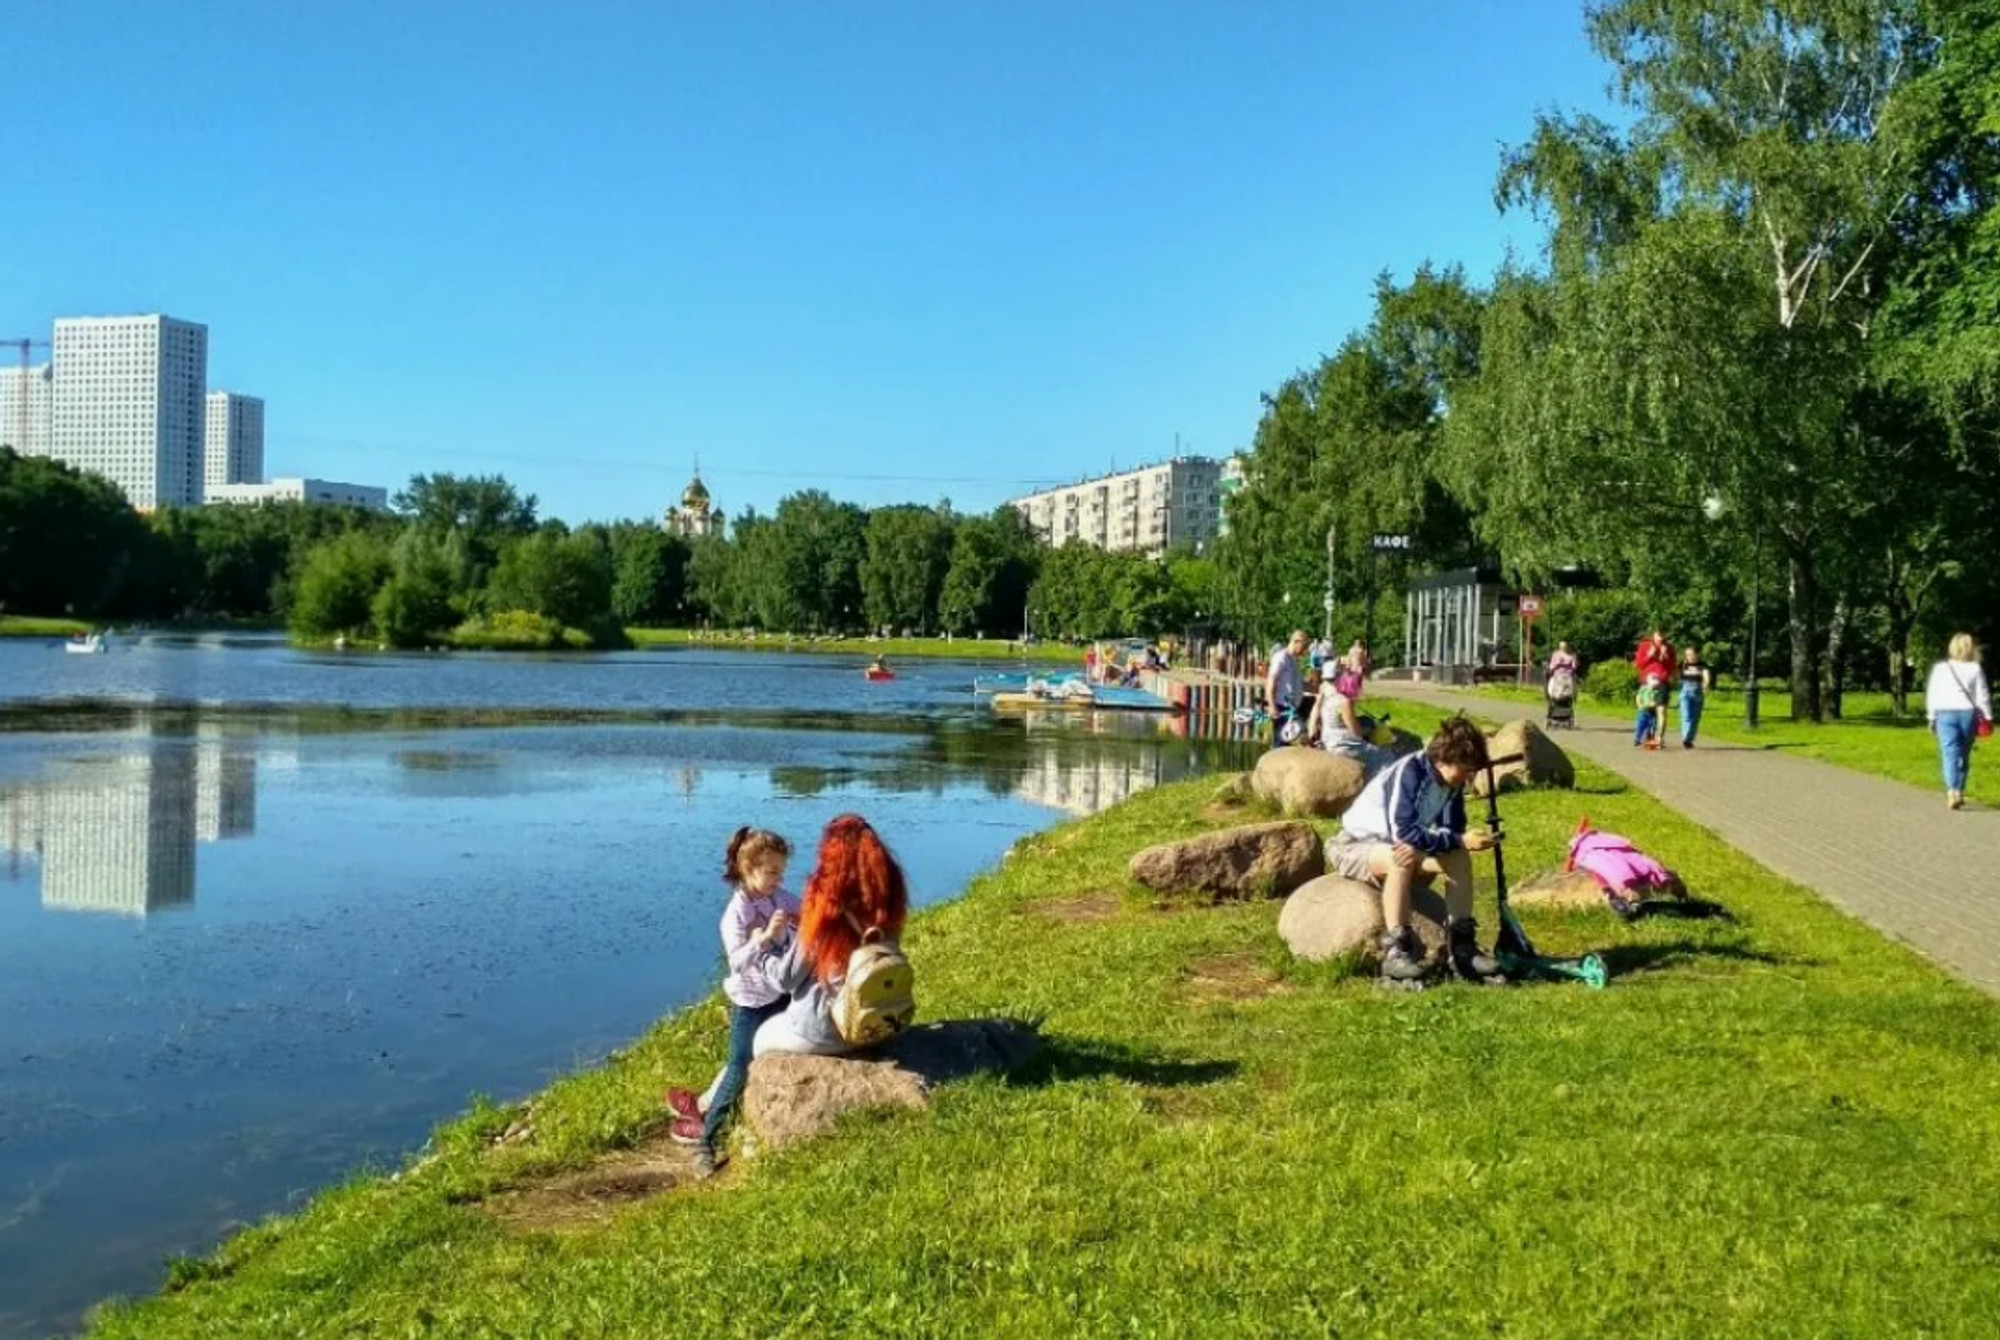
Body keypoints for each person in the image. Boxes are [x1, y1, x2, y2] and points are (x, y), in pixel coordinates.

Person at [1323, 717, 1503, 986]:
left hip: (1399, 844)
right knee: (1402, 858)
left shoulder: (1450, 785)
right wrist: (1460, 840)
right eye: (1465, 770)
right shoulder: (1411, 771)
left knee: (1457, 858)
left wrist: (1462, 841)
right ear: (1443, 759)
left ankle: (1462, 947)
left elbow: (1452, 831)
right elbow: (1404, 832)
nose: (1468, 778)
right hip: (1355, 846)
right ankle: (1397, 949)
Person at [665, 827, 800, 1177]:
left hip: (781, 992)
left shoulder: (780, 898)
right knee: (739, 1065)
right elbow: (737, 961)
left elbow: (807, 911)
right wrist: (765, 939)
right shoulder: (735, 913)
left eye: (781, 872)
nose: (778, 879)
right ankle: (706, 1142)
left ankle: (710, 1107)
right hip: (752, 1001)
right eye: (771, 872)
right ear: (747, 869)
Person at [754, 814, 910, 1055]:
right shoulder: (890, 892)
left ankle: (728, 1092)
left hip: (826, 1032)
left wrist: (764, 952)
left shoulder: (825, 902)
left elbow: (787, 980)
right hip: (880, 1024)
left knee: (760, 1037)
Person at [1927, 633, 1993, 811]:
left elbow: (1933, 694)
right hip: (1968, 714)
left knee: (1949, 753)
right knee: (1964, 754)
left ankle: (1952, 791)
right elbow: (1982, 695)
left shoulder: (1941, 668)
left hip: (1945, 713)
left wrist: (1931, 717)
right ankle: (1960, 790)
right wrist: (1987, 716)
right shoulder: (1975, 668)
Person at [1308, 661, 1392, 776]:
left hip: (1327, 739)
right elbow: (1356, 732)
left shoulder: (1328, 696)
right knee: (1384, 756)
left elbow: (1318, 710)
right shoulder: (1343, 701)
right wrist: (1368, 730)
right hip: (1342, 745)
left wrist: (1311, 729)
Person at [1265, 629, 1310, 746]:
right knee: (1280, 744)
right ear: (1296, 641)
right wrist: (1271, 705)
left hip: (1292, 709)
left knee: (1288, 742)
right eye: (1303, 646)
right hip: (1281, 707)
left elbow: (1298, 685)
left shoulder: (1293, 661)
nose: (1304, 650)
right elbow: (1271, 680)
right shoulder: (1281, 657)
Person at [1677, 646, 1713, 749]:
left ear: (1697, 655)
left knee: (1695, 718)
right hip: (1685, 691)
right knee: (1686, 716)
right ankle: (1686, 738)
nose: (1689, 657)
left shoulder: (1702, 665)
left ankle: (1689, 739)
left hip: (1697, 692)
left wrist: (1706, 685)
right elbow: (1673, 672)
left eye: (1691, 654)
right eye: (1687, 655)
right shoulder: (1683, 664)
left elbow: (1706, 677)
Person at [1634, 672, 1668, 748]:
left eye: (1656, 684)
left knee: (1652, 725)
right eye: (1653, 683)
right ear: (1648, 682)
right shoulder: (1643, 688)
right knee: (1640, 725)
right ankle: (1637, 738)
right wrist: (1639, 705)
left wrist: (1655, 704)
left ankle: (1651, 740)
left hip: (1652, 712)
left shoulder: (1656, 691)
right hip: (1643, 710)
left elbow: (1658, 701)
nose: (1654, 685)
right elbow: (1638, 697)